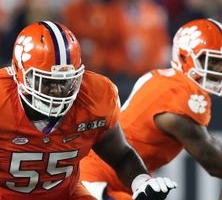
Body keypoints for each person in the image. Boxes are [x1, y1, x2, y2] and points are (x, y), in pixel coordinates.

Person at [0, 21, 177, 200]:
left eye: (68, 83)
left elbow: (121, 154)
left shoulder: (97, 95)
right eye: (48, 83)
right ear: (19, 74)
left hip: (61, 194)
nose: (60, 92)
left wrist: (140, 182)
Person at [80, 18, 222, 200]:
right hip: (98, 179)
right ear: (185, 56)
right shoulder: (179, 93)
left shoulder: (166, 80)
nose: (218, 69)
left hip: (116, 179)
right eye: (212, 62)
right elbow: (212, 160)